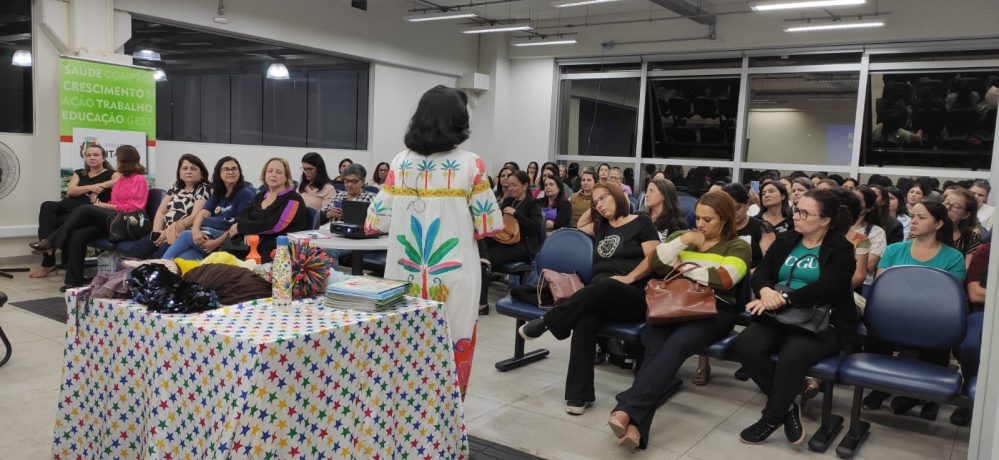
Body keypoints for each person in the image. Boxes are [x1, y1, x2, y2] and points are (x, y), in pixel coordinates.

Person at [364, 85, 503, 398]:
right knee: (453, 347)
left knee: (404, 351)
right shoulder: (471, 164)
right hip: (455, 274)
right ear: (458, 120)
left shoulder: (400, 162)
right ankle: (447, 430)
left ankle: (408, 428)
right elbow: (490, 224)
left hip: (403, 274)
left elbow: (374, 221)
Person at [607, 191, 750, 449]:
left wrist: (685, 269)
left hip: (714, 309)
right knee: (653, 347)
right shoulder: (681, 238)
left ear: (725, 220)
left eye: (708, 220)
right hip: (673, 304)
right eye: (698, 217)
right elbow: (658, 264)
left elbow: (726, 278)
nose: (700, 224)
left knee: (676, 345)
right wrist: (684, 240)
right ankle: (636, 430)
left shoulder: (738, 245)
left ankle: (626, 408)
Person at [517, 183, 659, 416]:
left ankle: (547, 321)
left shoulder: (642, 222)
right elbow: (581, 224)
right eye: (597, 202)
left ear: (618, 196)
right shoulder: (601, 226)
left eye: (604, 198)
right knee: (585, 319)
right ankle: (578, 395)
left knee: (609, 283)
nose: (601, 205)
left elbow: (654, 258)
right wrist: (593, 206)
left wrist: (629, 277)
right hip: (598, 295)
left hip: (632, 294)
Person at [733, 189, 857, 446]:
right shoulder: (787, 239)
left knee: (793, 355)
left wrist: (785, 298)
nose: (796, 216)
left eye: (804, 212)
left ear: (825, 220)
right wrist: (767, 290)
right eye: (796, 209)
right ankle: (788, 407)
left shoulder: (841, 248)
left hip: (822, 319)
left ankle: (771, 417)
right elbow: (761, 273)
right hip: (779, 314)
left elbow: (831, 287)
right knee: (745, 346)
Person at [861, 199, 967, 420]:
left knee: (939, 331)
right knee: (878, 327)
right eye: (913, 216)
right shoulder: (894, 250)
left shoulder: (953, 257)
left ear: (938, 224)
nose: (914, 221)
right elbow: (884, 291)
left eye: (921, 217)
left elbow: (947, 299)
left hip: (932, 318)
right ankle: (880, 387)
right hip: (894, 314)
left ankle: (929, 396)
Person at [30, 145, 149, 291]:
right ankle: (73, 281)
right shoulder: (122, 178)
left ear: (124, 160)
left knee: (85, 208)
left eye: (118, 158)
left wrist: (107, 207)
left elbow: (135, 207)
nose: (116, 161)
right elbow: (115, 201)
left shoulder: (139, 179)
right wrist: (104, 204)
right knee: (77, 235)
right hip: (110, 219)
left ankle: (51, 242)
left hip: (124, 221)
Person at [31, 142, 118, 278]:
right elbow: (71, 191)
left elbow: (117, 181)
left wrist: (95, 186)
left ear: (103, 158)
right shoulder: (80, 173)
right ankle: (47, 245)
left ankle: (48, 261)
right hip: (69, 204)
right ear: (85, 158)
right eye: (88, 155)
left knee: (58, 223)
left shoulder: (112, 173)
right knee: (47, 205)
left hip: (86, 211)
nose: (92, 158)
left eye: (96, 155)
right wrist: (91, 187)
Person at [163, 157, 255, 260]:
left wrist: (215, 243)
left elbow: (237, 227)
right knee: (180, 260)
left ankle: (160, 265)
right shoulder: (219, 192)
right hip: (208, 233)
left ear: (239, 172)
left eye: (234, 169)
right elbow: (202, 214)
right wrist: (195, 230)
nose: (231, 172)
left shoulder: (245, 194)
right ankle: (163, 269)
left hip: (225, 237)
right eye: (226, 169)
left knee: (185, 235)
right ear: (219, 173)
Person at [479, 170, 542, 313]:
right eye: (510, 185)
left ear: (525, 186)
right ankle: (479, 295)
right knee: (480, 244)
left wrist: (516, 214)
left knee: (488, 259)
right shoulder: (508, 200)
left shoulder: (533, 203)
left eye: (515, 185)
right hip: (505, 239)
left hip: (522, 245)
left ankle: (482, 304)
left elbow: (534, 228)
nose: (511, 188)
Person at [226, 157, 311, 263]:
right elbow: (242, 215)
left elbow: (275, 224)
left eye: (279, 172)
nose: (273, 174)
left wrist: (243, 228)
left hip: (278, 250)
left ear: (286, 177)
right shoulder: (260, 196)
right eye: (269, 171)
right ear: (264, 174)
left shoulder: (293, 199)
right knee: (223, 260)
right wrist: (246, 230)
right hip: (252, 244)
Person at [149, 154, 212, 258]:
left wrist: (166, 233)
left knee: (157, 257)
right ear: (179, 172)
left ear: (202, 173)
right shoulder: (175, 187)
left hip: (181, 234)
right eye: (185, 168)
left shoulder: (204, 188)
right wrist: (157, 234)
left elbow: (194, 216)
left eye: (193, 168)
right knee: (137, 249)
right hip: (164, 233)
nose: (188, 171)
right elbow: (161, 212)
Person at [854, 186, 888, 293]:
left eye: (857, 201)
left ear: (869, 208)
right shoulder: (836, 227)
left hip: (862, 285)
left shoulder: (876, 232)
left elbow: (870, 264)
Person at [944, 187, 983, 265]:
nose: (947, 208)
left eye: (955, 206)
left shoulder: (972, 237)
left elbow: (968, 269)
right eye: (946, 203)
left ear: (966, 214)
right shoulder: (928, 229)